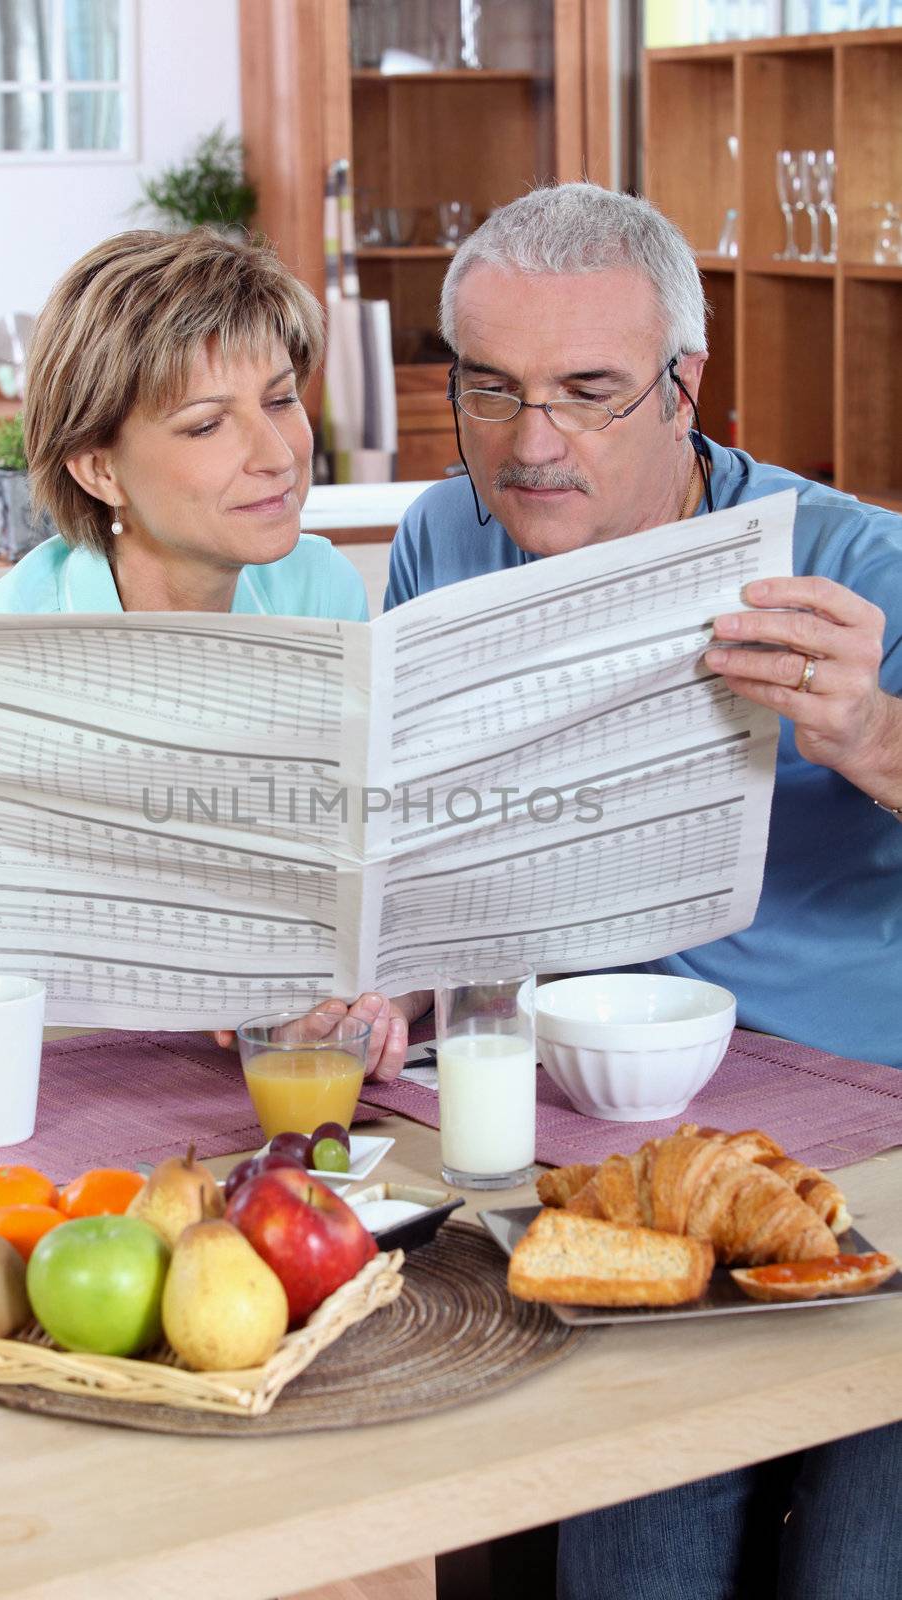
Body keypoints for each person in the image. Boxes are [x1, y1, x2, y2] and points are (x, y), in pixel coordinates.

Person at [382, 183, 901, 1600]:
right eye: (488, 389)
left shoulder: (853, 567)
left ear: (684, 383)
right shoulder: (443, 538)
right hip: (590, 1148)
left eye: (586, 393)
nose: (529, 444)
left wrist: (864, 733)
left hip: (856, 1146)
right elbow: (420, 835)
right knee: (627, 1548)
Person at [0, 228, 424, 1082]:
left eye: (281, 399)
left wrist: (357, 1000)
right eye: (207, 424)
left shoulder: (316, 593)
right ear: (99, 469)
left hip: (226, 1088)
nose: (276, 453)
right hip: (35, 1092)